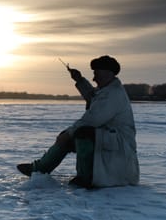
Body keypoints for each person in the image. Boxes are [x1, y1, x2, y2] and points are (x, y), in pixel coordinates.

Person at [17, 55, 140, 189]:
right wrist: (79, 80)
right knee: (73, 135)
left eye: (96, 73)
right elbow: (93, 96)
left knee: (82, 133)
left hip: (119, 145)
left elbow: (92, 120)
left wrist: (68, 133)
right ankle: (39, 169)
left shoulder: (113, 94)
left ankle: (85, 178)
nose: (94, 78)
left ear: (107, 73)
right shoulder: (107, 90)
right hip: (108, 138)